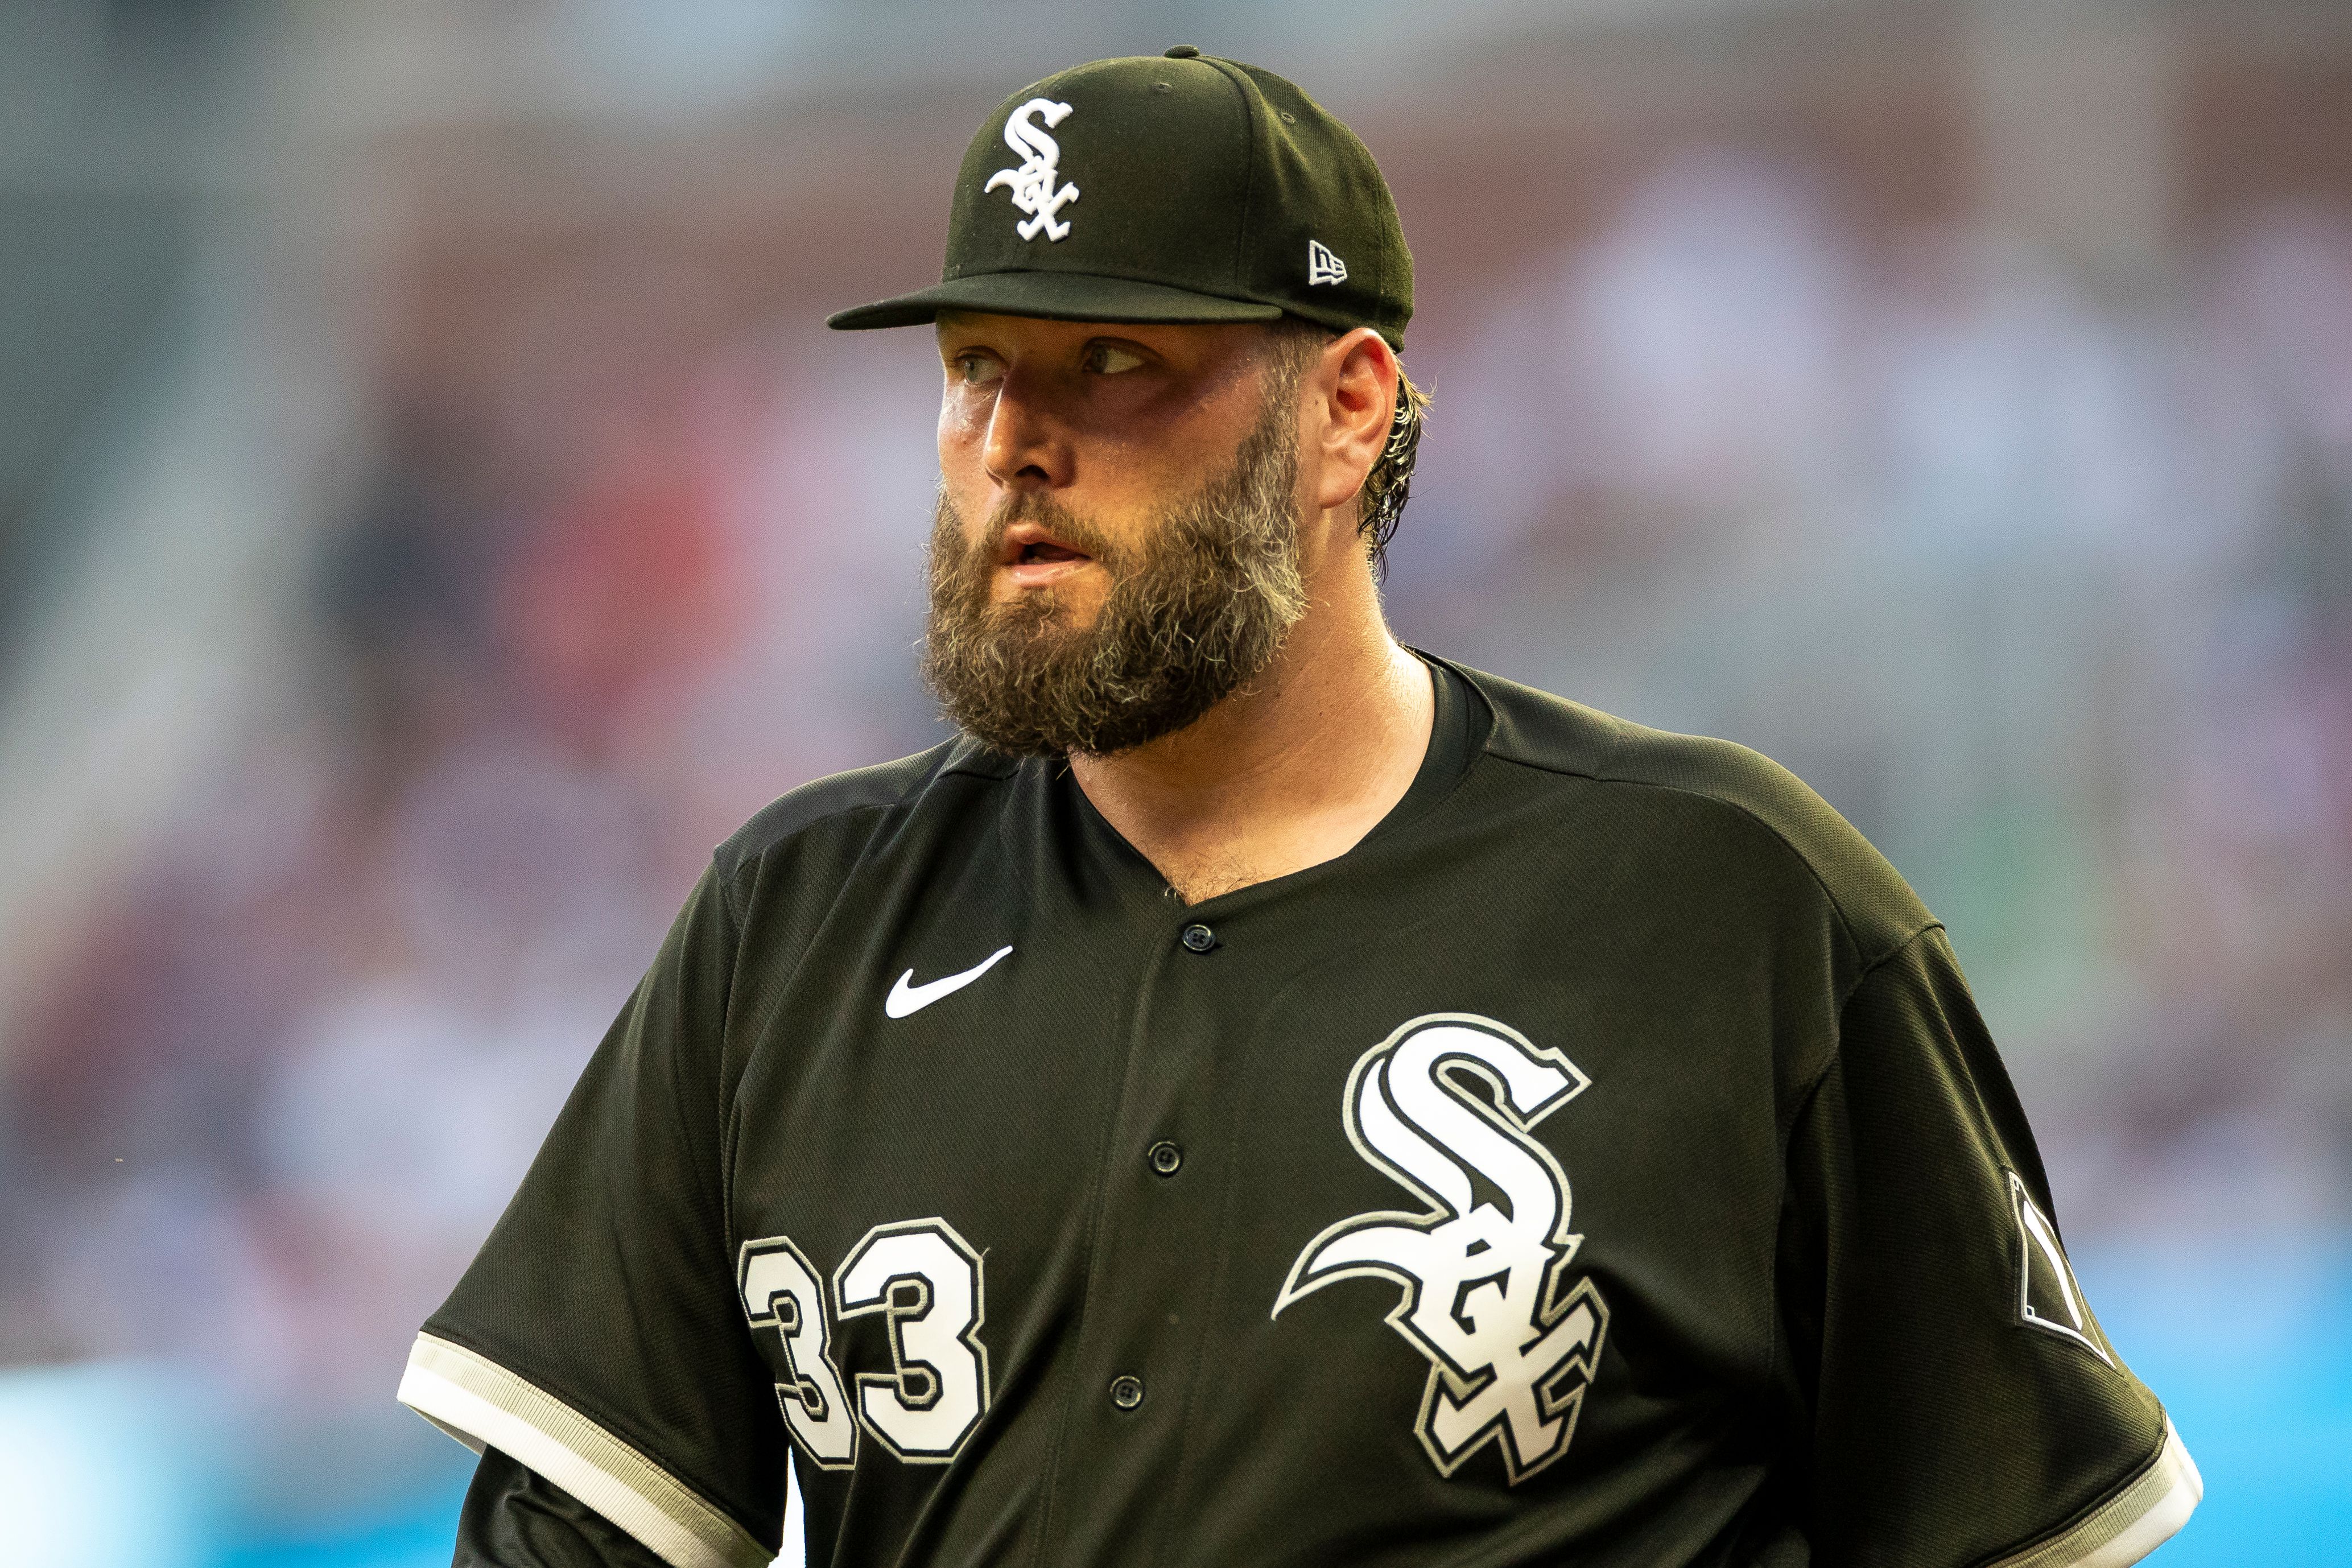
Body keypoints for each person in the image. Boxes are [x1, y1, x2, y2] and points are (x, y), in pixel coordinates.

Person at [401, 49, 2201, 1568]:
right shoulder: (791, 923)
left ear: (1346, 409)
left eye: (1114, 365)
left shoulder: (1736, 904)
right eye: (977, 369)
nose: (1015, 439)